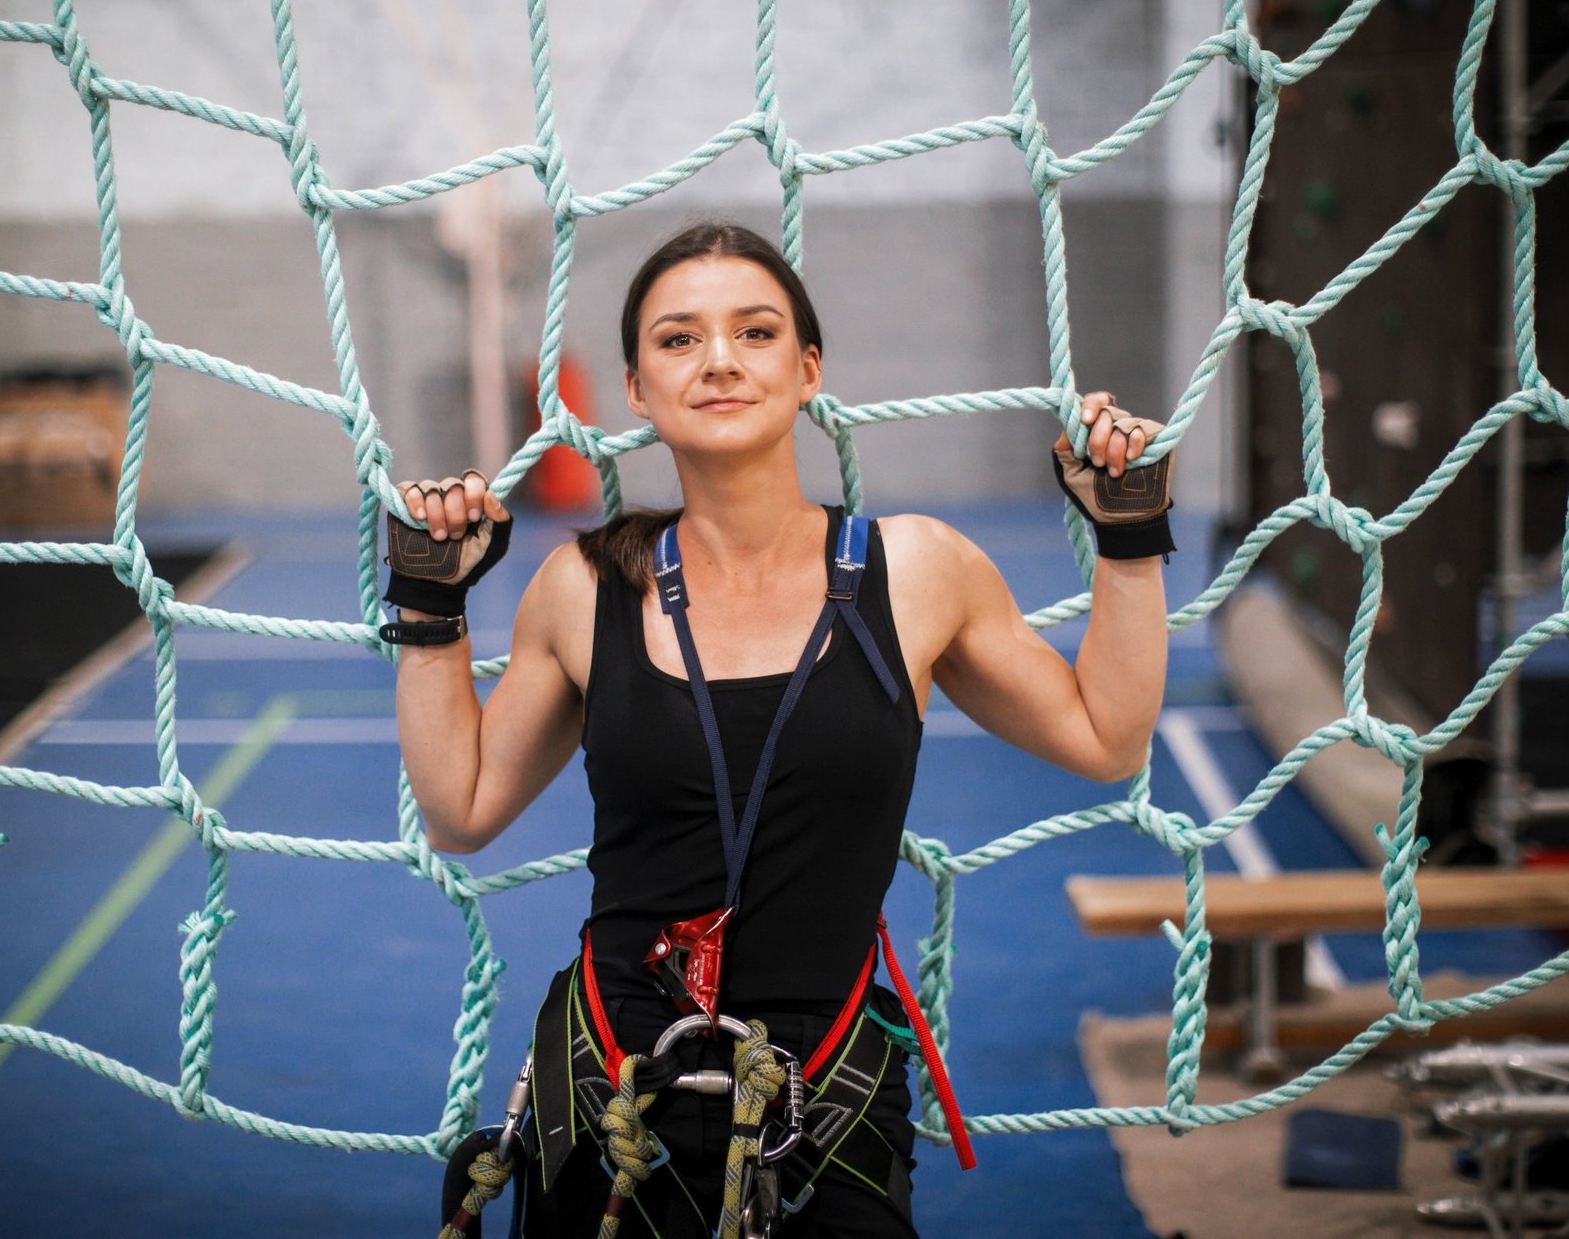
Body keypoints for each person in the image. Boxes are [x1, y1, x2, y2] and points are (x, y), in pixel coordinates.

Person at [383, 222, 1171, 1238]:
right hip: (612, 1086)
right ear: (633, 386)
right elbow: (460, 810)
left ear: (807, 371)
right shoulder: (583, 589)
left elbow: (1107, 739)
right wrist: (430, 613)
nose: (717, 359)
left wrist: (1130, 538)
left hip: (826, 1098)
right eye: (679, 339)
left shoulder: (918, 572)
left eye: (754, 333)